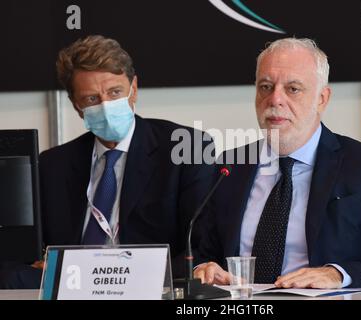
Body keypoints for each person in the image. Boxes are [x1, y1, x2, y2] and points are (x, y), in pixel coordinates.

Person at [194, 38, 361, 289]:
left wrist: (339, 275)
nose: (275, 99)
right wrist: (203, 268)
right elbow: (203, 252)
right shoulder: (230, 166)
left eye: (292, 89)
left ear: (322, 99)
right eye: (266, 87)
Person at [0, 35, 214, 288]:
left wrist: (127, 278)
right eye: (91, 99)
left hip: (148, 287)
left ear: (133, 89)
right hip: (73, 289)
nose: (105, 106)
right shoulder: (52, 165)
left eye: (115, 93)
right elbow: (25, 253)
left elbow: (200, 248)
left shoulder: (185, 148)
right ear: (76, 106)